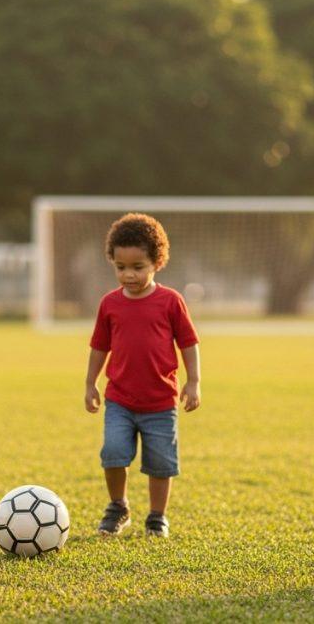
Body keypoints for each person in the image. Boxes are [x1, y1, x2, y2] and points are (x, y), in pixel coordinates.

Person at [85, 213, 201, 538]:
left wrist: (194, 382)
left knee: (161, 463)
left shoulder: (170, 302)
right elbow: (98, 347)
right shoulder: (109, 304)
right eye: (121, 267)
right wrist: (90, 383)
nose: (129, 274)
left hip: (161, 404)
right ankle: (118, 506)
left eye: (138, 267)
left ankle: (157, 516)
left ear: (157, 262)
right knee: (112, 453)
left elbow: (189, 343)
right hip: (120, 400)